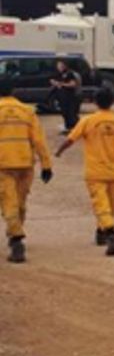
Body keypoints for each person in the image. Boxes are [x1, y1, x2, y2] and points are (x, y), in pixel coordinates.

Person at [53, 87, 114, 256]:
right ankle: (101, 233)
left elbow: (70, 139)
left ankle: (111, 234)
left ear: (95, 102)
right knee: (110, 206)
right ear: (113, 102)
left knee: (100, 205)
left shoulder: (88, 121)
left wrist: (59, 151)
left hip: (95, 171)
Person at [0, 76, 54, 263]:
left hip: (3, 165)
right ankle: (15, 232)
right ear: (13, 92)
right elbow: (39, 140)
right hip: (25, 164)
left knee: (9, 202)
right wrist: (46, 165)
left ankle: (16, 239)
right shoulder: (27, 111)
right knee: (20, 202)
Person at [50, 58, 81, 134]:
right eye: (58, 66)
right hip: (62, 98)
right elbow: (58, 83)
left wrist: (62, 84)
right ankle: (68, 128)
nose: (58, 67)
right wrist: (54, 83)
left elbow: (73, 84)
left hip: (70, 98)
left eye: (60, 65)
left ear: (64, 65)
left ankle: (77, 128)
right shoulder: (60, 74)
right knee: (65, 113)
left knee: (71, 114)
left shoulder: (69, 73)